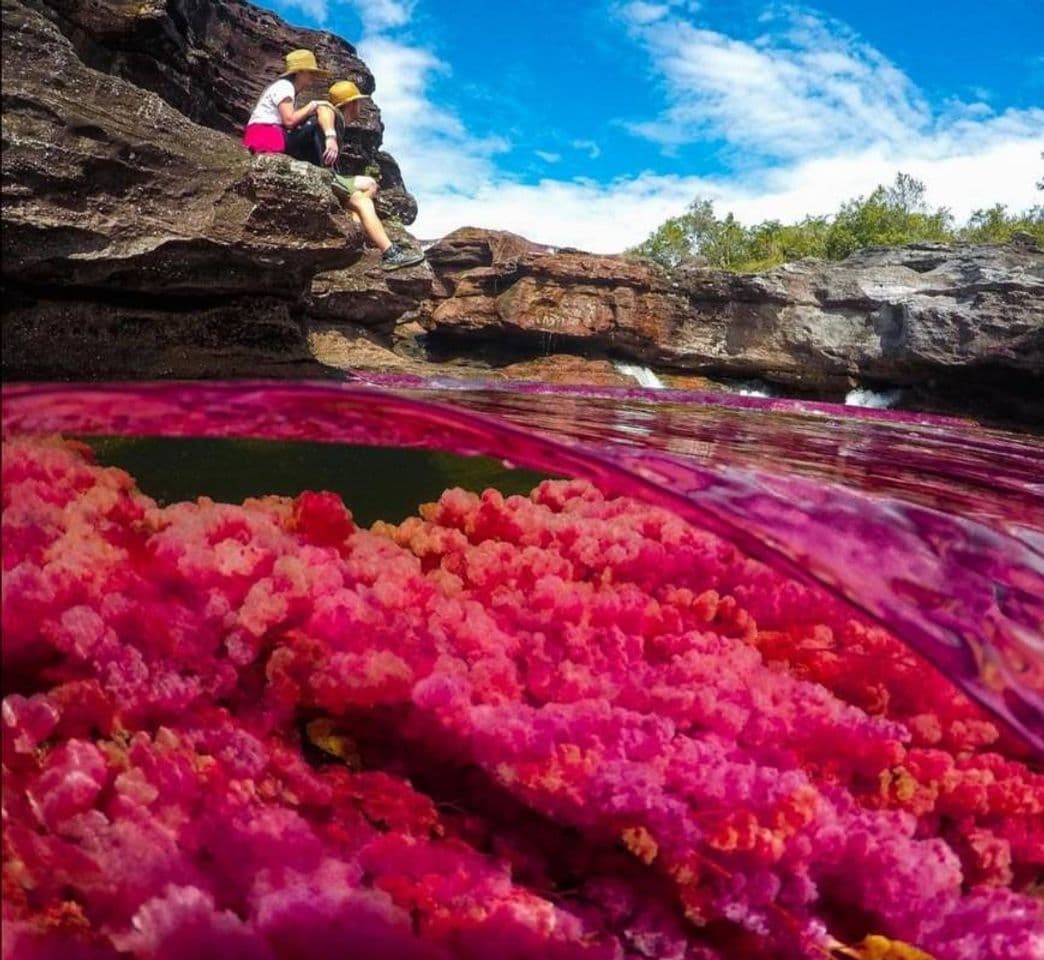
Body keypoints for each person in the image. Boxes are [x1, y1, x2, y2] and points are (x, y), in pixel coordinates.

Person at [287, 80, 425, 271]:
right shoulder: (333, 114)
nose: (361, 106)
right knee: (362, 200)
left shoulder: (340, 121)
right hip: (319, 174)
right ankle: (390, 253)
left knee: (370, 184)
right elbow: (323, 108)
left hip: (327, 174)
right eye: (358, 102)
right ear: (351, 103)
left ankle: (355, 224)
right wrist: (330, 137)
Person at [242, 49, 331, 155]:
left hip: (262, 135)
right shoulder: (285, 86)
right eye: (310, 72)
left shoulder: (285, 87)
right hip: (267, 135)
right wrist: (313, 105)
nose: (313, 76)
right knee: (315, 124)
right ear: (299, 72)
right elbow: (289, 121)